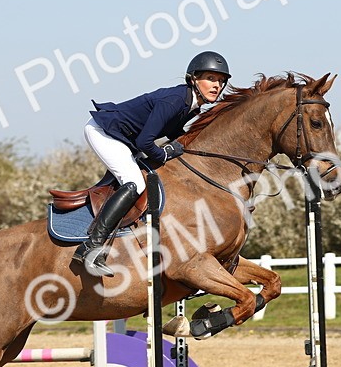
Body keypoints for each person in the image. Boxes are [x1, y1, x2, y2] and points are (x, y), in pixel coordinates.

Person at [73, 50, 231, 276]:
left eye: (221, 81)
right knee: (134, 183)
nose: (217, 85)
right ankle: (91, 246)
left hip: (124, 139)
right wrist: (164, 155)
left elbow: (175, 134)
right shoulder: (175, 101)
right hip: (104, 131)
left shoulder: (190, 105)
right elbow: (145, 142)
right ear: (194, 79)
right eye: (211, 78)